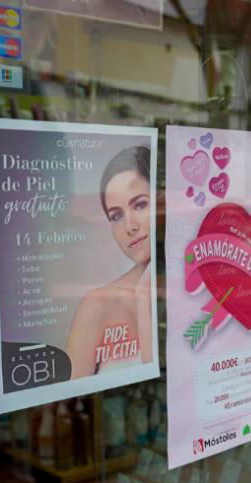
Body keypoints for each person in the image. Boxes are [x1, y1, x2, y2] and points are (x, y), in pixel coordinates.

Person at [66, 145, 153, 378]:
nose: (130, 226)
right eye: (116, 216)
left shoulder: (196, 288)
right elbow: (72, 397)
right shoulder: (98, 304)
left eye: (140, 205)